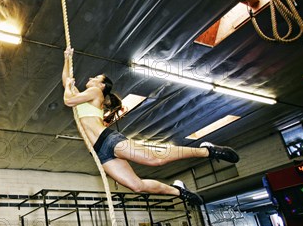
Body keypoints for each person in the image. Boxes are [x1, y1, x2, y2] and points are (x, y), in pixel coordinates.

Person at [61, 48, 239, 205]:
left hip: (108, 141)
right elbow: (66, 81)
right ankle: (179, 191)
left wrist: (69, 86)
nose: (91, 78)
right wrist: (67, 58)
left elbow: (68, 99)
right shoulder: (82, 98)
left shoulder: (95, 92)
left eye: (95, 78)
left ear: (101, 85)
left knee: (156, 159)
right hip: (100, 152)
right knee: (137, 186)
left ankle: (207, 151)